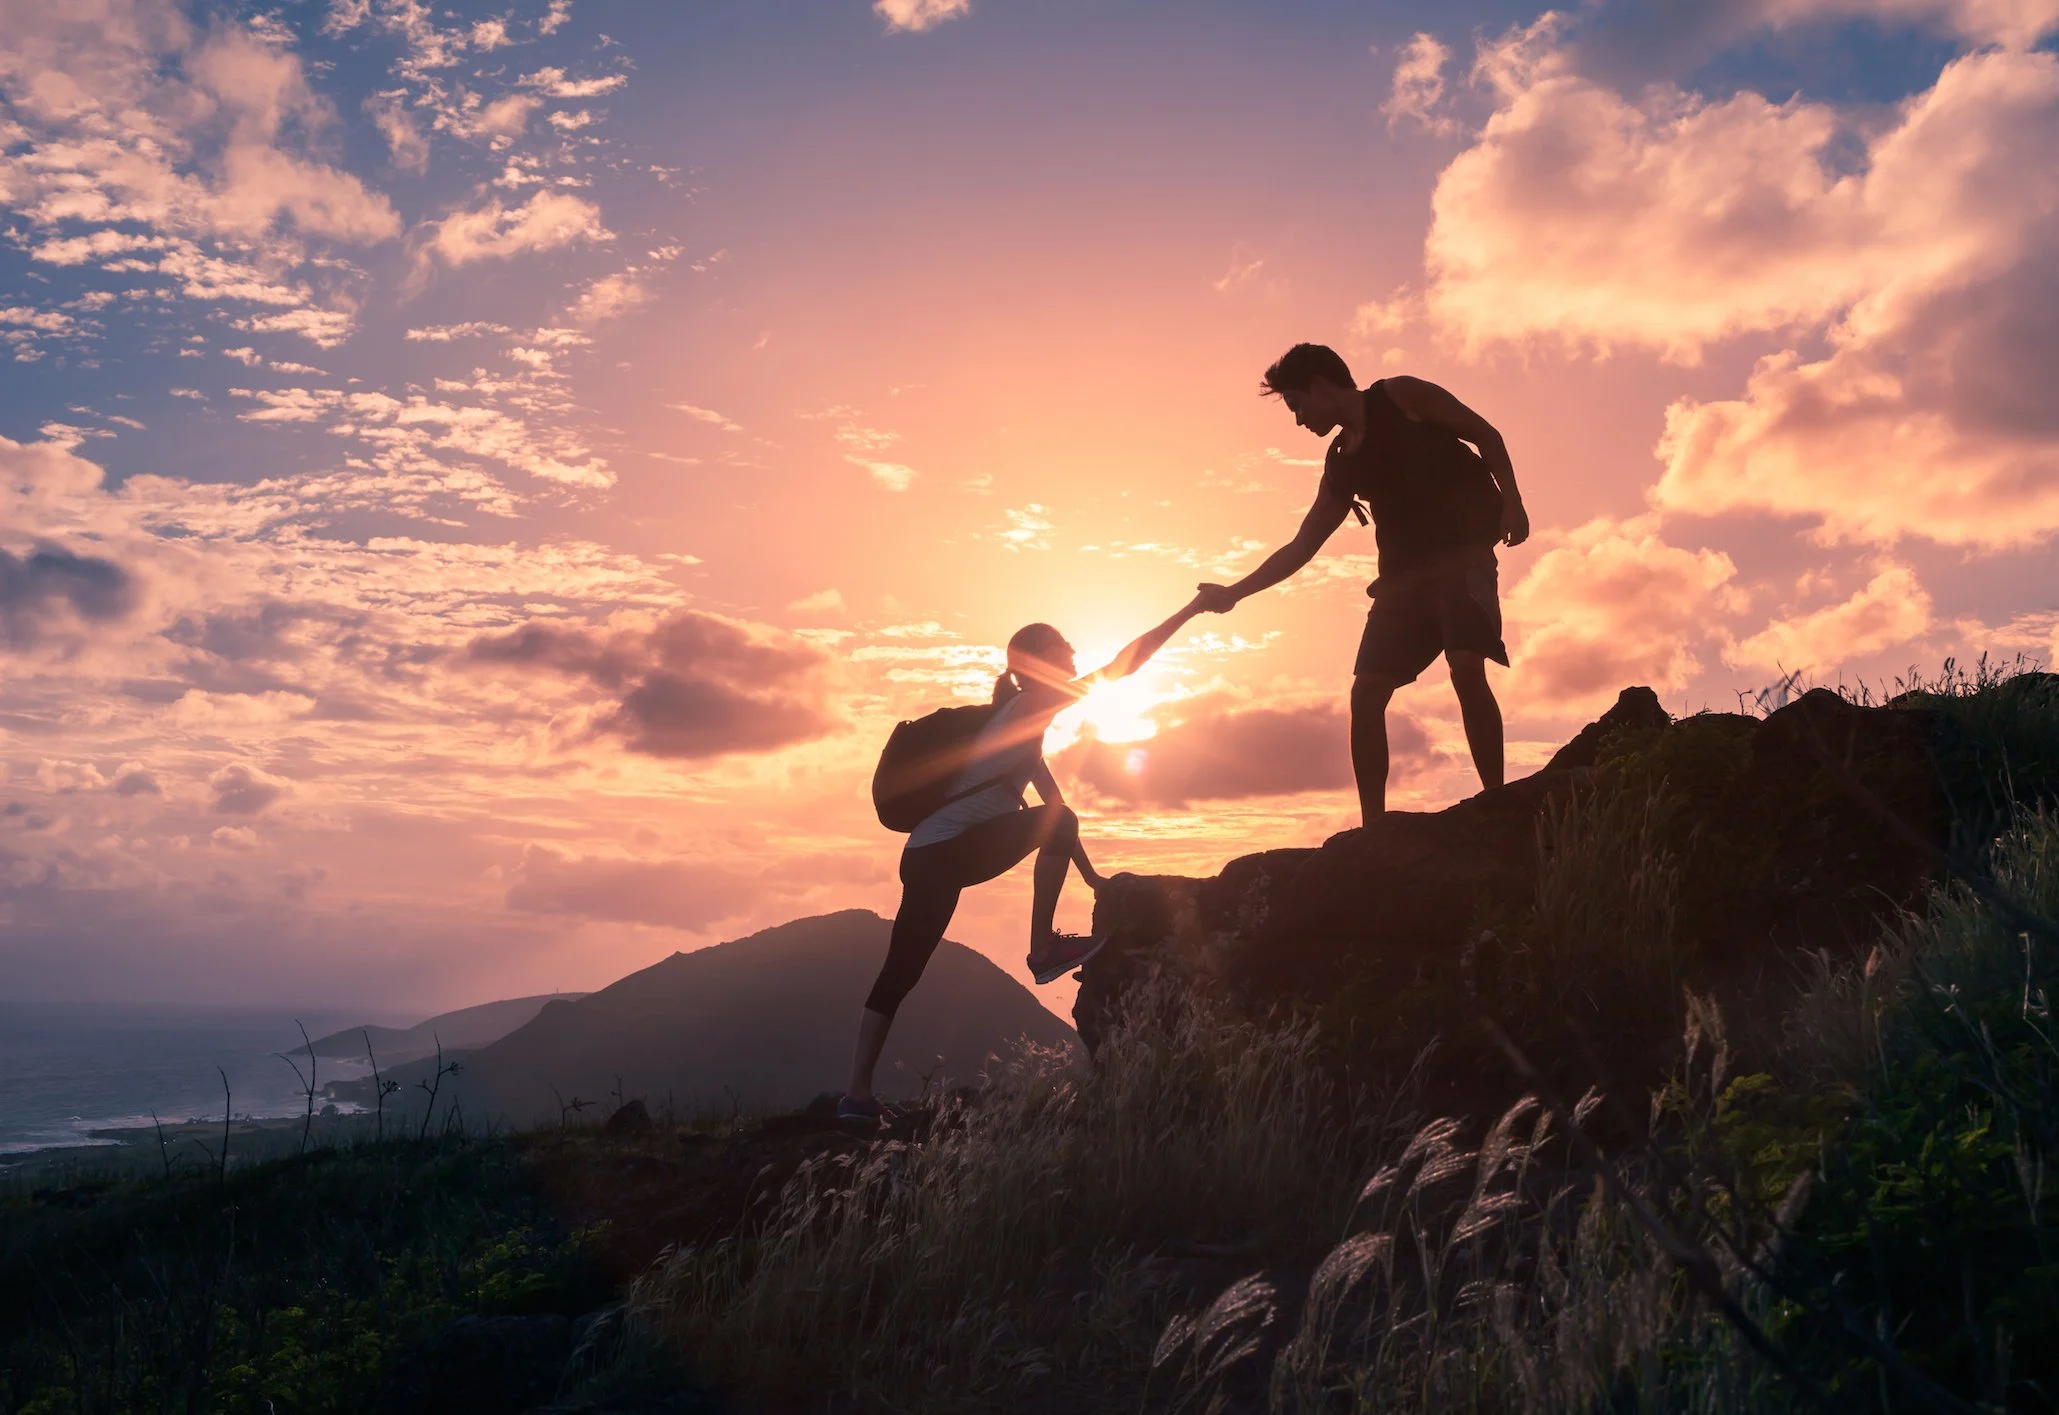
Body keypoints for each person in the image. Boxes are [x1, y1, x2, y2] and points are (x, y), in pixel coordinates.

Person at [841, 599, 1203, 1123]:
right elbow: (1124, 667)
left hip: (929, 854)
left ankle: (856, 1097)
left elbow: (1054, 811)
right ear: (1038, 663)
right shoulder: (1031, 705)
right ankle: (1042, 948)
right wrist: (1189, 610)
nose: (1074, 651)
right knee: (902, 972)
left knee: (899, 974)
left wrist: (1091, 875)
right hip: (941, 854)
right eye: (1063, 646)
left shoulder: (1019, 727)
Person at [1196, 343, 1529, 823]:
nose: (1298, 420)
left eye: (1297, 405)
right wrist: (1234, 593)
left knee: (1464, 665)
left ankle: (1496, 802)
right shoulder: (1340, 462)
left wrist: (1513, 503)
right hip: (1401, 584)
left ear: (1321, 386)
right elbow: (1301, 545)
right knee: (1366, 694)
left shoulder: (1402, 396)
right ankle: (1373, 827)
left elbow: (1486, 434)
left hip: (1462, 559)